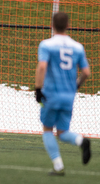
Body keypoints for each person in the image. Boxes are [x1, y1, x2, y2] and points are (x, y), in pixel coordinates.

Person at [35, 12, 91, 176]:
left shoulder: (46, 44)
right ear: (68, 25)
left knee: (47, 129)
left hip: (51, 94)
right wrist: (76, 86)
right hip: (69, 95)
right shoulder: (78, 47)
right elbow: (86, 72)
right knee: (62, 132)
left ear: (52, 25)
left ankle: (58, 166)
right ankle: (81, 140)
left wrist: (38, 89)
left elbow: (43, 67)